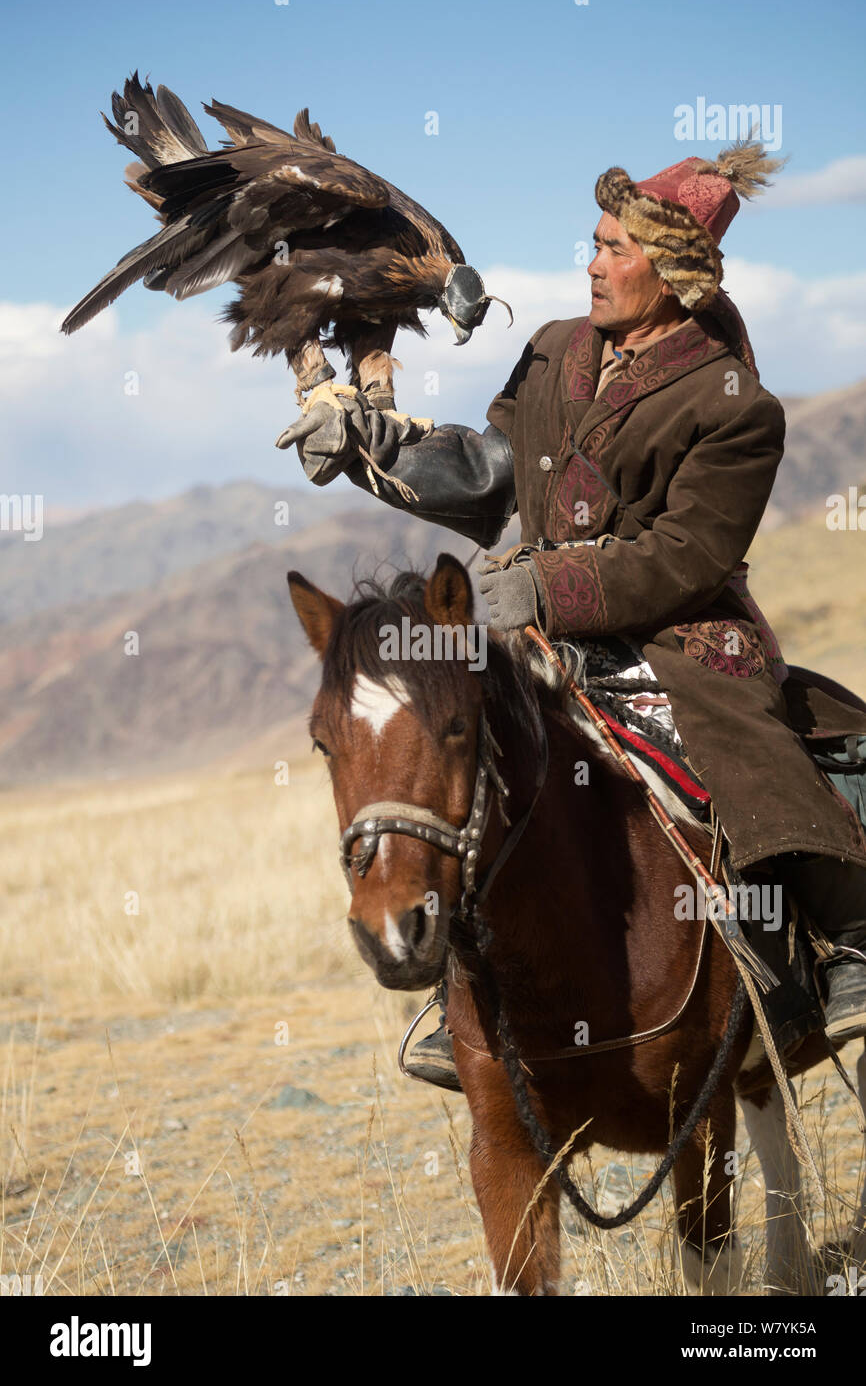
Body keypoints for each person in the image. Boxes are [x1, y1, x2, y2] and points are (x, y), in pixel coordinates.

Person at [279, 141, 866, 1090]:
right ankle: (465, 995)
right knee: (472, 769)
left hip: (683, 639)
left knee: (756, 758)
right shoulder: (555, 349)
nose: (591, 263)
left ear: (672, 276)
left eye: (614, 250)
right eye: (592, 242)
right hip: (541, 633)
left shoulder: (736, 407)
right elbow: (491, 470)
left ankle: (840, 950)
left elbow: (690, 556)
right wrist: (371, 447)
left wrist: (550, 587)